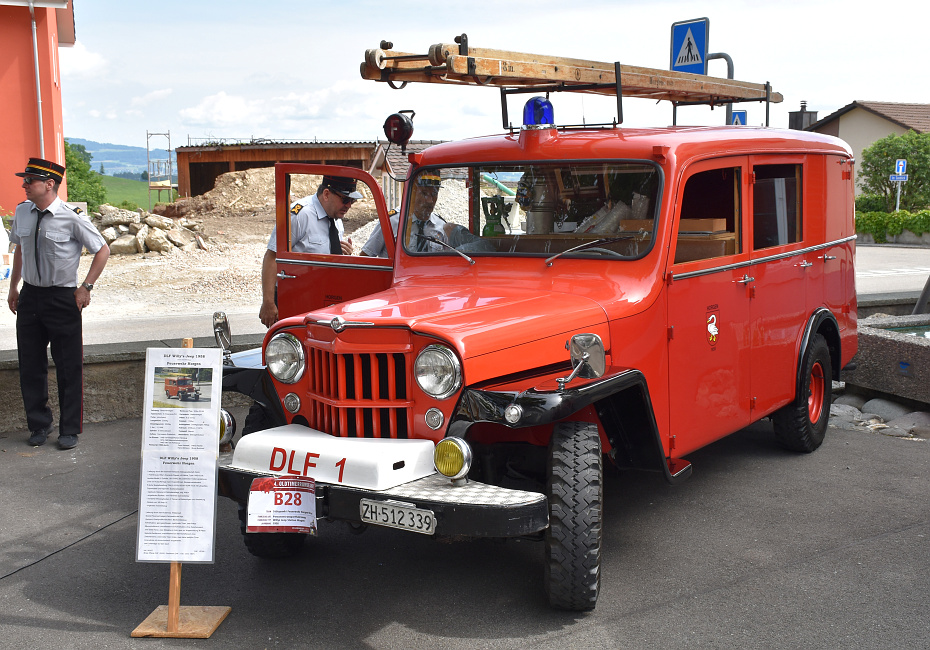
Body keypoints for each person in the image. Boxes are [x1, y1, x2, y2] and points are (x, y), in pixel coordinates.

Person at [7, 157, 110, 450]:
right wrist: (14, 287)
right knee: (30, 365)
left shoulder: (71, 215)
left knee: (68, 366)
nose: (24, 185)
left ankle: (69, 429)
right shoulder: (22, 211)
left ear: (49, 184)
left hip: (62, 298)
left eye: (30, 180)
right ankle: (39, 425)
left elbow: (102, 250)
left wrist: (86, 287)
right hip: (30, 296)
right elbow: (19, 251)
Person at [259, 175, 361, 327]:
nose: (349, 205)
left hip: (322, 298)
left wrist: (341, 253)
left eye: (352, 201)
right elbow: (272, 257)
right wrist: (268, 302)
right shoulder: (300, 214)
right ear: (326, 194)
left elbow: (324, 253)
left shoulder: (336, 220)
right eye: (345, 200)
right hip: (295, 297)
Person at [361, 172, 447, 257]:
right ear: (412, 193)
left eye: (434, 194)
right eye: (424, 193)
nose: (430, 200)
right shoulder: (391, 222)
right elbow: (365, 258)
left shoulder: (442, 226)